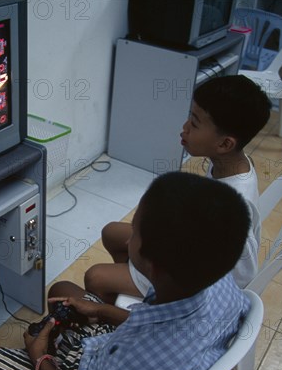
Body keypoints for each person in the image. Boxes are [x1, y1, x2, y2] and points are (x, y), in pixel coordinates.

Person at [0, 171, 252, 370]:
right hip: (116, 359)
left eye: (134, 231)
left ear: (151, 264)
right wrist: (102, 311)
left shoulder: (135, 368)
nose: (129, 235)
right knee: (63, 292)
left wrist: (42, 361)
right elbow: (161, 326)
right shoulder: (220, 282)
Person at [87, 74, 272, 305]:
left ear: (225, 144)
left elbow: (241, 277)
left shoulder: (237, 200)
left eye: (194, 123)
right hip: (189, 252)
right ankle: (132, 294)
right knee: (111, 232)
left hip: (192, 283)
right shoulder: (229, 164)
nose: (184, 128)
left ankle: (127, 315)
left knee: (95, 277)